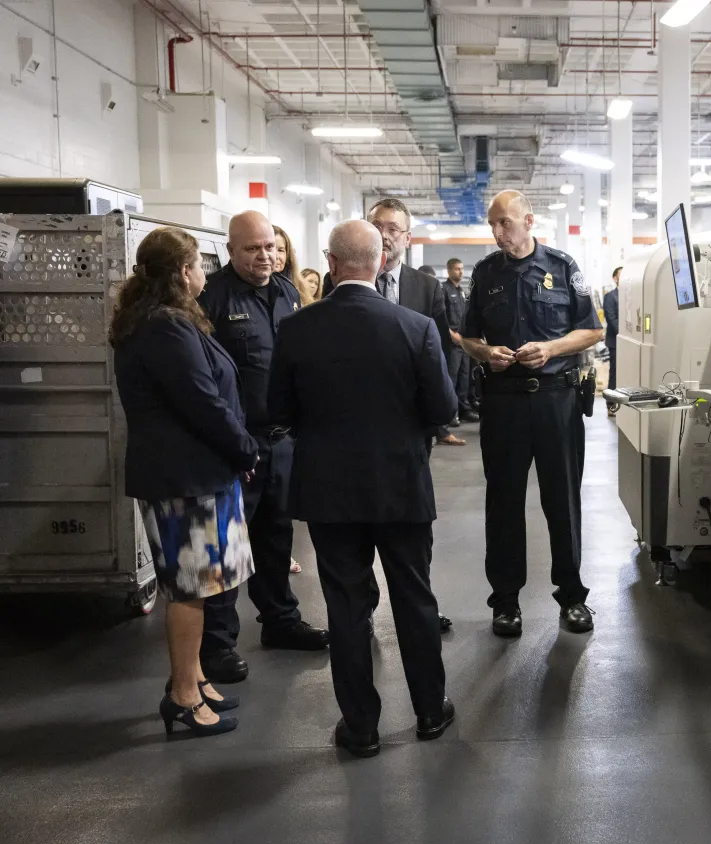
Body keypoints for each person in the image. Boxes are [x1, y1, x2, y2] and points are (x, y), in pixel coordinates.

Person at [269, 220, 457, 758]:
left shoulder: (298, 328)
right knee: (414, 597)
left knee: (347, 607)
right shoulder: (416, 327)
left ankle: (360, 727)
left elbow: (277, 411)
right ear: (380, 263)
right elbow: (443, 410)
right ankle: (428, 712)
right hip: (400, 486)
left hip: (329, 491)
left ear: (330, 262)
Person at [111, 227, 257, 737]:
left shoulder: (163, 321)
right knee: (191, 591)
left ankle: (194, 677)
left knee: (200, 586)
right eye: (198, 263)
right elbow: (201, 402)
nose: (204, 273)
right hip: (184, 478)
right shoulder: (165, 328)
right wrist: (245, 447)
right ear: (181, 273)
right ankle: (183, 696)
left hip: (193, 473)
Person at [460, 190, 604, 637]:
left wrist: (551, 348)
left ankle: (572, 597)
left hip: (556, 401)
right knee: (502, 503)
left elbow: (594, 329)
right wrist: (486, 353)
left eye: (504, 223)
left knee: (562, 500)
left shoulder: (562, 267)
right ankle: (505, 601)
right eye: (492, 225)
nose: (497, 232)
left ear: (528, 220)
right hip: (503, 401)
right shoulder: (485, 274)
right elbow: (466, 337)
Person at [198, 211, 329, 684]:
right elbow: (205, 382)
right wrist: (234, 443)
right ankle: (217, 645)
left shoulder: (289, 295)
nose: (266, 255)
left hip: (281, 441)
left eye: (272, 246)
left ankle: (281, 622)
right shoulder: (211, 298)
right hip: (238, 444)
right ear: (231, 250)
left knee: (276, 536)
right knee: (229, 547)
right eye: (253, 248)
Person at [365, 199, 466, 448]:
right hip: (361, 411)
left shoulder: (427, 287)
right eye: (376, 227)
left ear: (408, 238)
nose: (383, 235)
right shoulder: (344, 279)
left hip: (412, 415)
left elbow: (438, 351)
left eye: (392, 229)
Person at [442, 258, 480, 423]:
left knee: (465, 377)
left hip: (463, 341)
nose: (461, 272)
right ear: (449, 271)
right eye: (457, 269)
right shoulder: (443, 289)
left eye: (462, 268)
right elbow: (441, 318)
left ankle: (463, 409)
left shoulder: (461, 291)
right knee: (452, 377)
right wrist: (453, 335)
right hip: (452, 341)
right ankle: (450, 413)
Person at [603, 266, 621, 400]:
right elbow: (611, 318)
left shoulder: (631, 295)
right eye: (621, 274)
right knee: (615, 372)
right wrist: (624, 336)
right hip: (615, 341)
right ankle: (611, 403)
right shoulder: (610, 296)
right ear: (615, 278)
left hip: (628, 341)